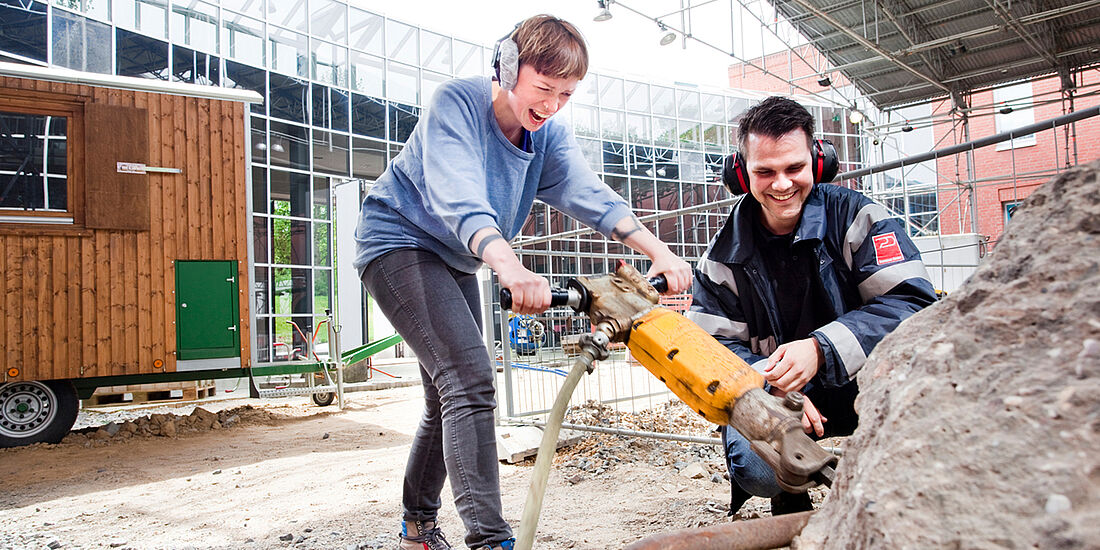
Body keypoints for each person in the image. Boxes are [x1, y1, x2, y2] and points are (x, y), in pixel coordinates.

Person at [353, 15, 692, 550]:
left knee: (450, 393)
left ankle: (417, 527)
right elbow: (457, 194)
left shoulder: (546, 134)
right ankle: (491, 542)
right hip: (399, 242)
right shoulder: (456, 105)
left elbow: (590, 193)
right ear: (508, 67)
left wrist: (658, 250)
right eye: (543, 88)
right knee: (469, 381)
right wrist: (508, 267)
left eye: (566, 93)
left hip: (456, 258)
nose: (553, 104)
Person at [686, 96, 936, 516]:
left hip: (863, 381)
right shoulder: (720, 256)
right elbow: (709, 349)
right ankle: (789, 488)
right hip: (778, 394)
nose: (781, 184)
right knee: (758, 469)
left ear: (818, 162)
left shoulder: (858, 218)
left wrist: (822, 349)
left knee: (929, 427)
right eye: (765, 171)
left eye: (793, 168)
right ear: (740, 173)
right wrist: (772, 388)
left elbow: (912, 303)